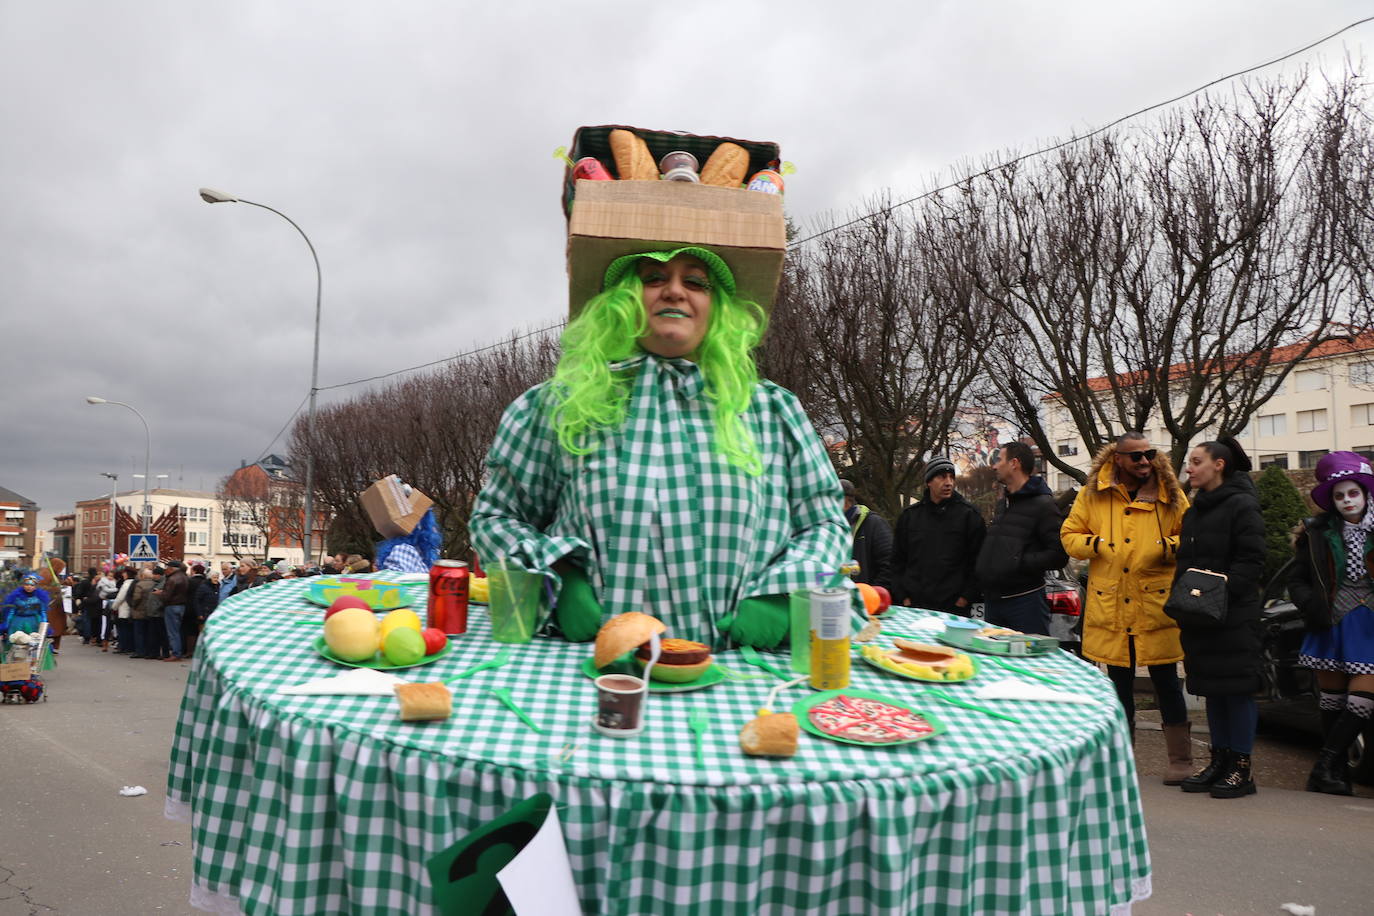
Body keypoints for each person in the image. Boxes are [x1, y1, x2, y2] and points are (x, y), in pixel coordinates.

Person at [470, 246, 850, 648]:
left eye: (695, 282)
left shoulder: (774, 411)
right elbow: (495, 519)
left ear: (718, 307)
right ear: (621, 301)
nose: (673, 291)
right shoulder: (556, 406)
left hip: (737, 677)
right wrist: (556, 575)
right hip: (590, 674)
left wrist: (785, 594)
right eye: (653, 278)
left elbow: (824, 525)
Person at [1061, 432, 1192, 782]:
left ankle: (1180, 761)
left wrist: (1166, 547)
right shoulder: (1093, 495)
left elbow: (1191, 535)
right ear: (1118, 458)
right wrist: (1098, 544)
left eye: (1149, 454)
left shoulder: (1170, 493)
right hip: (1112, 603)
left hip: (1156, 603)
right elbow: (1069, 536)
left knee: (1167, 682)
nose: (1145, 461)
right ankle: (1122, 762)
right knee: (1119, 686)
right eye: (1136, 456)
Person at [1171, 437, 1266, 799]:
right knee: (1213, 689)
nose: (1189, 468)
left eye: (1196, 461)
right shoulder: (1194, 510)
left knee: (1237, 690)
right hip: (1200, 615)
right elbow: (1185, 563)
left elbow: (1252, 561)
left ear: (1219, 465)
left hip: (1232, 616)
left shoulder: (1242, 505)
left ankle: (1241, 768)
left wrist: (1218, 592)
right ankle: (1219, 761)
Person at [1288, 451, 1374, 796]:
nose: (1347, 501)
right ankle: (1333, 774)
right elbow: (1297, 581)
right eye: (1339, 496)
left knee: (1364, 701)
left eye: (1353, 493)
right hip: (1330, 622)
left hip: (1369, 624)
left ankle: (1324, 765)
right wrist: (1311, 605)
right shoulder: (1317, 533)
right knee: (1332, 702)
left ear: (1366, 494)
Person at [975, 441, 1068, 635]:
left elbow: (1059, 555)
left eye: (999, 460)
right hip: (994, 602)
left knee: (1028, 664)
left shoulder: (1044, 505)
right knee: (995, 663)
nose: (994, 466)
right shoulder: (1004, 504)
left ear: (1014, 463)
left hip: (1025, 605)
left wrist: (1019, 562)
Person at [890, 456, 986, 615]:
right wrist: (903, 597)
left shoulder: (969, 516)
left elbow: (979, 562)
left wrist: (965, 598)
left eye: (951, 477)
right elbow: (897, 561)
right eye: (942, 477)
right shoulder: (910, 517)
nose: (948, 482)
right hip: (915, 606)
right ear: (929, 481)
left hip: (954, 608)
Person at [839, 480, 892, 590]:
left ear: (844, 502)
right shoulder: (831, 527)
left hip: (867, 600)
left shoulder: (874, 524)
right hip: (835, 597)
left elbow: (890, 564)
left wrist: (872, 594)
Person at [1, 573, 50, 644]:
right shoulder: (16, 597)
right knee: (16, 641)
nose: (29, 587)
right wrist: (6, 624)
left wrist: (44, 625)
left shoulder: (39, 598)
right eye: (26, 584)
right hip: (17, 623)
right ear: (23, 585)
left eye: (32, 585)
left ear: (35, 587)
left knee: (33, 642)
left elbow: (42, 612)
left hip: (33, 623)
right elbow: (11, 612)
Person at [158, 560, 189, 661]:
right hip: (181, 606)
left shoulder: (172, 579)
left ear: (171, 568)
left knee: (172, 631)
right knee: (178, 630)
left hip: (171, 606)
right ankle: (178, 652)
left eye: (167, 568)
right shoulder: (185, 577)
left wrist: (160, 594)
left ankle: (176, 653)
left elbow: (167, 595)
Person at [128, 567, 156, 659]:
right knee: (148, 632)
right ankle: (148, 651)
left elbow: (136, 598)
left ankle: (140, 651)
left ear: (142, 576)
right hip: (150, 611)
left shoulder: (140, 584)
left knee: (139, 633)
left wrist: (133, 606)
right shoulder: (154, 584)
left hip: (139, 611)